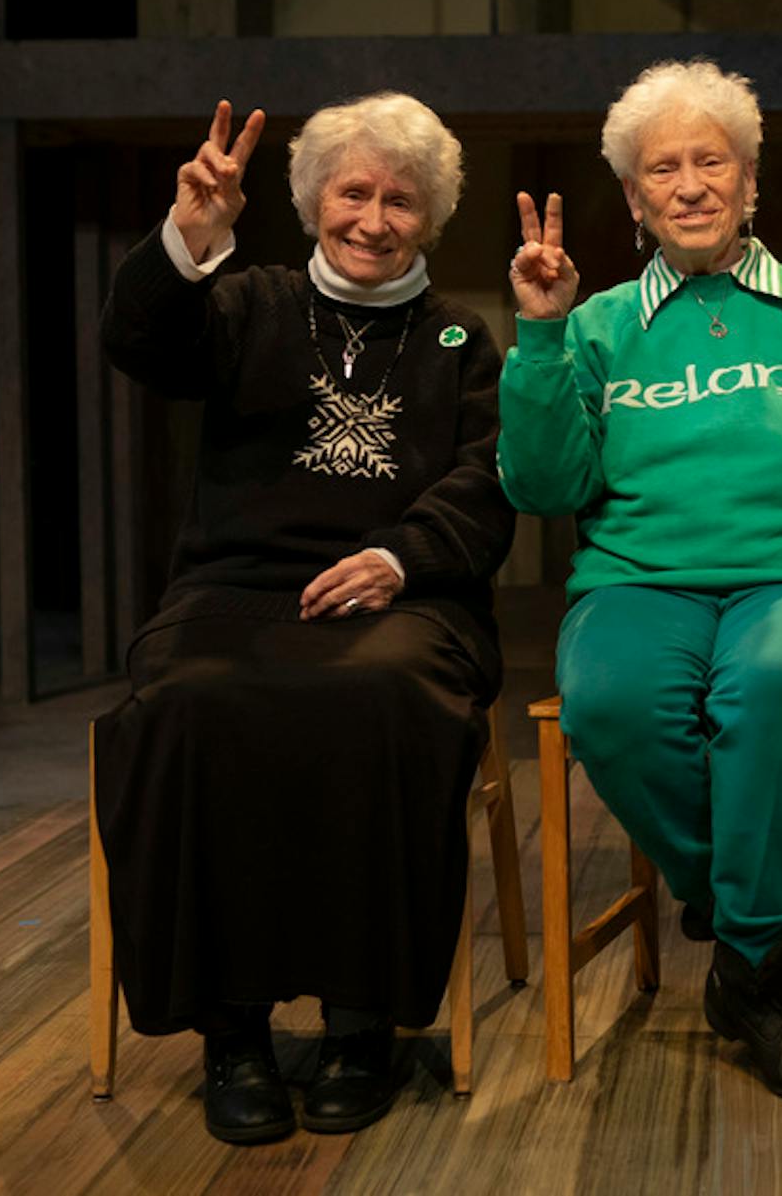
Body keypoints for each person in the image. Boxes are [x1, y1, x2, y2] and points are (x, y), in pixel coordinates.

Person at [497, 59, 782, 1105]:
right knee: (608, 703)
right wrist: (542, 335)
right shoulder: (596, 325)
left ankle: (745, 970)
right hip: (638, 580)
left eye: (712, 163)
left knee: (776, 686)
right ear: (635, 201)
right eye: (663, 171)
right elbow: (548, 484)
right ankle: (763, 944)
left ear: (749, 180)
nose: (690, 185)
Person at [95, 94, 517, 1144]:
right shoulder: (246, 304)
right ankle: (230, 1032)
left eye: (401, 202)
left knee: (380, 695)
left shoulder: (465, 339)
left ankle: (360, 1023)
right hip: (233, 592)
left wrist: (397, 557)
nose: (374, 220)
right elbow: (140, 342)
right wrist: (191, 233)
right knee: (187, 702)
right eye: (354, 193)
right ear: (311, 200)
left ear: (432, 217)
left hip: (406, 599)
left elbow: (489, 482)